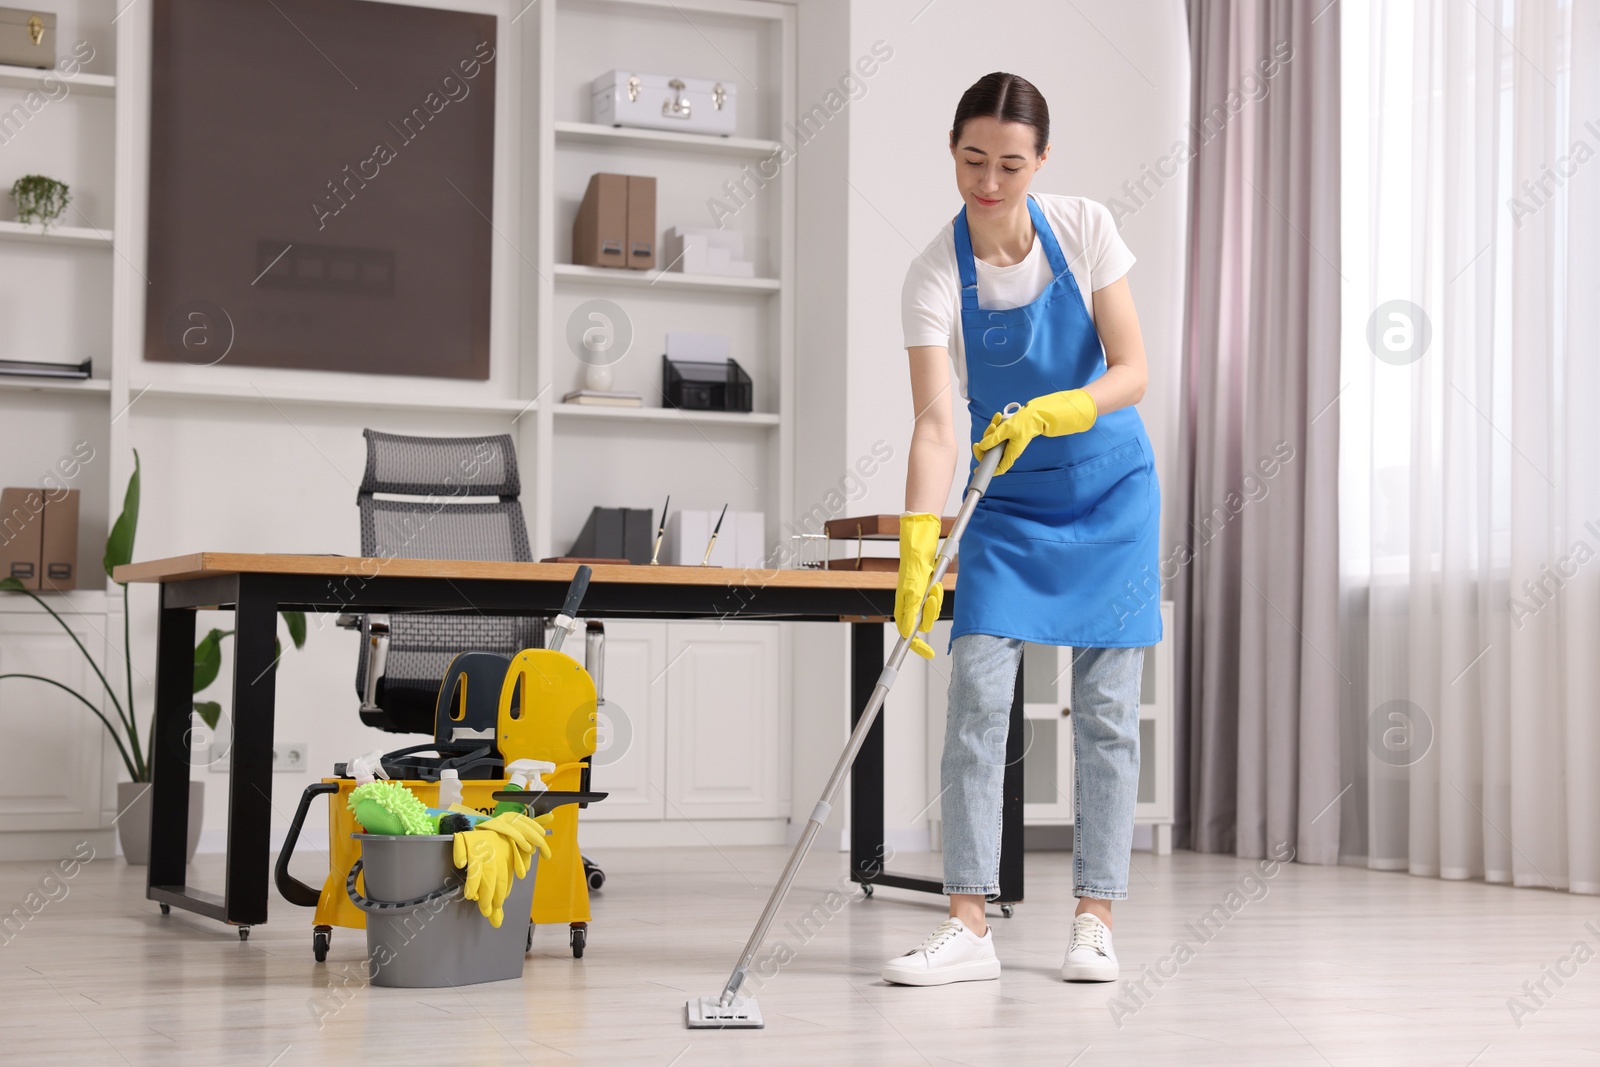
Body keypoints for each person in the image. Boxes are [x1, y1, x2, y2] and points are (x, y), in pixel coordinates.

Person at [883, 71, 1160, 987]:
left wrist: (1058, 407)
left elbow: (1132, 368)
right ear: (954, 152)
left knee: (1109, 716)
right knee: (976, 707)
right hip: (1004, 501)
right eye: (972, 160)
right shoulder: (933, 273)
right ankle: (969, 923)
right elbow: (935, 423)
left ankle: (1095, 917)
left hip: (1111, 491)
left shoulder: (1083, 230)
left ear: (1041, 161)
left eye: (1010, 163)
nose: (989, 182)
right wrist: (921, 545)